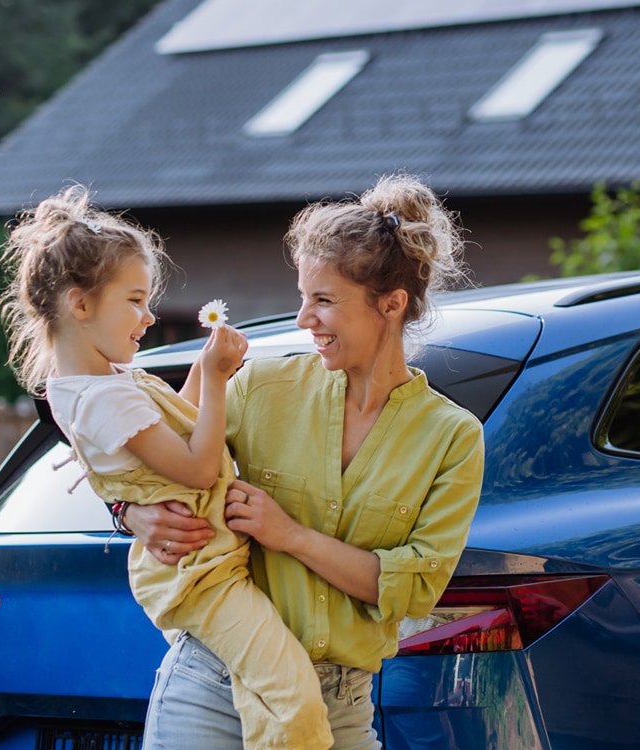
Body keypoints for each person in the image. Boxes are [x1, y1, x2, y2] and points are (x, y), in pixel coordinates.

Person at [120, 174, 485, 750]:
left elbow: (413, 589)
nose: (302, 319)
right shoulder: (259, 387)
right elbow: (141, 459)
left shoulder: (452, 438)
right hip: (213, 685)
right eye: (302, 297)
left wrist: (288, 534)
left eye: (323, 301)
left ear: (390, 305)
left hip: (336, 707)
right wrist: (129, 512)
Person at [0, 185, 331, 749]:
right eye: (135, 300)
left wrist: (203, 368)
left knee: (264, 701)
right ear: (80, 305)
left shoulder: (97, 382)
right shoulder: (103, 397)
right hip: (204, 574)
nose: (149, 317)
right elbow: (199, 467)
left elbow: (185, 423)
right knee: (293, 698)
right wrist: (221, 378)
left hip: (209, 563)